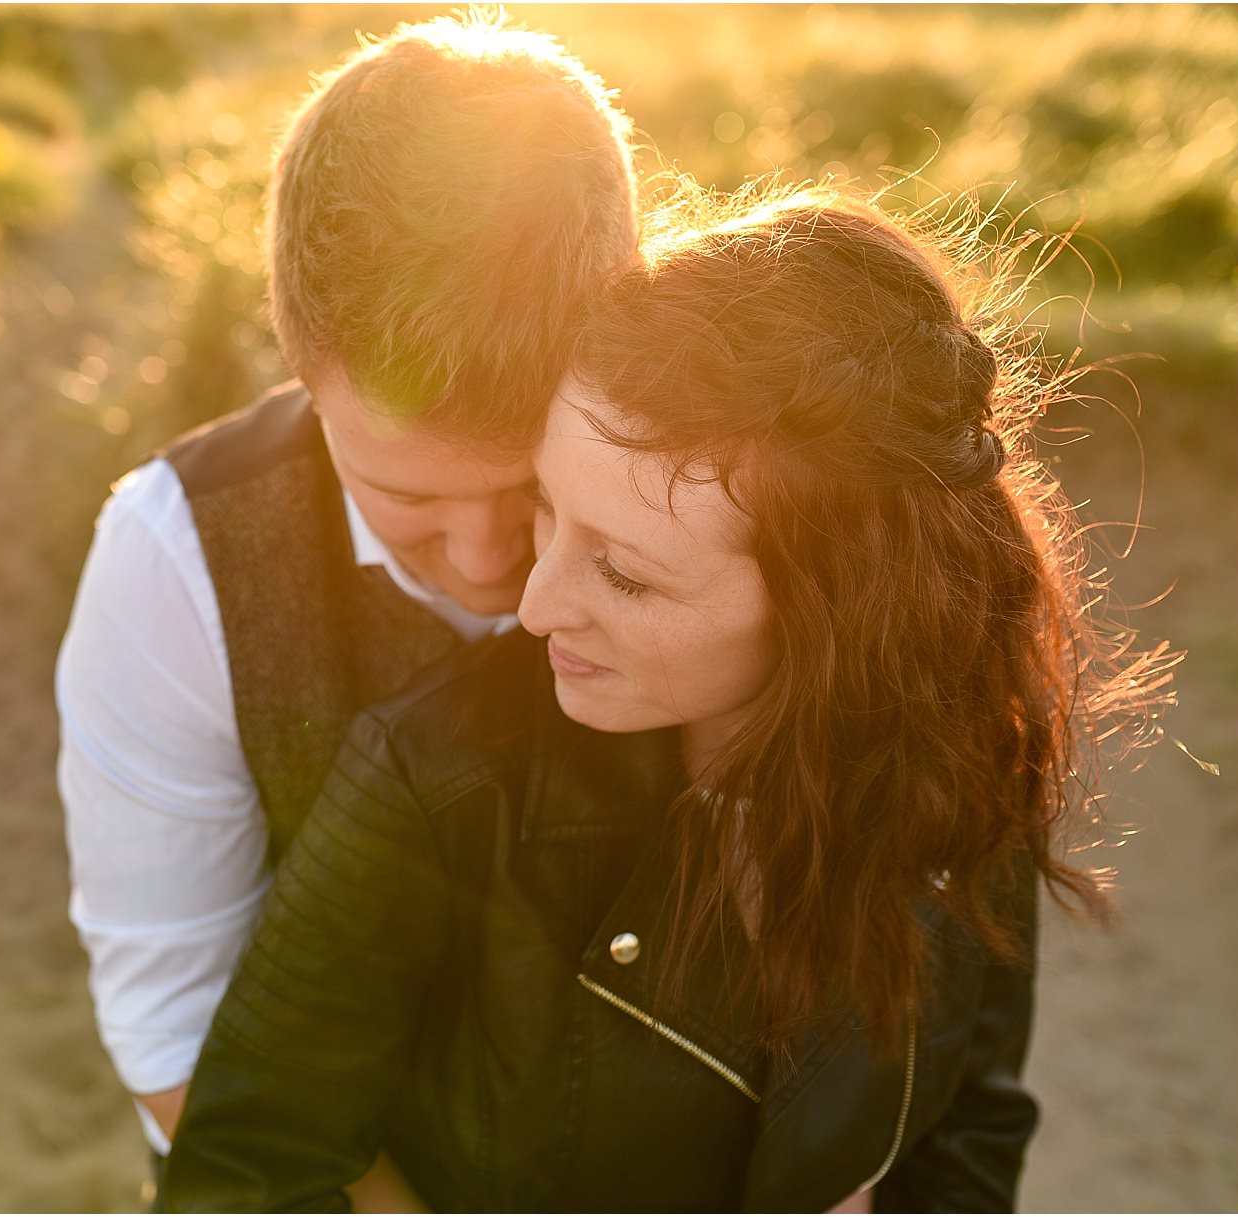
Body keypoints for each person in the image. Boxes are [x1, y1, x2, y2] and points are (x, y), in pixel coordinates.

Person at [160, 186, 1178, 1212]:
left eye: (626, 574)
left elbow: (968, 1125)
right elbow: (238, 1172)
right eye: (545, 508)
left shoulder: (962, 762)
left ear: (842, 615)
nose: (532, 604)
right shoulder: (438, 778)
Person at [53, 11, 639, 1200]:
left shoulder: (728, 495)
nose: (487, 566)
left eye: (528, 484)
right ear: (297, 356)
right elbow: (177, 1037)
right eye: (408, 493)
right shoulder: (173, 560)